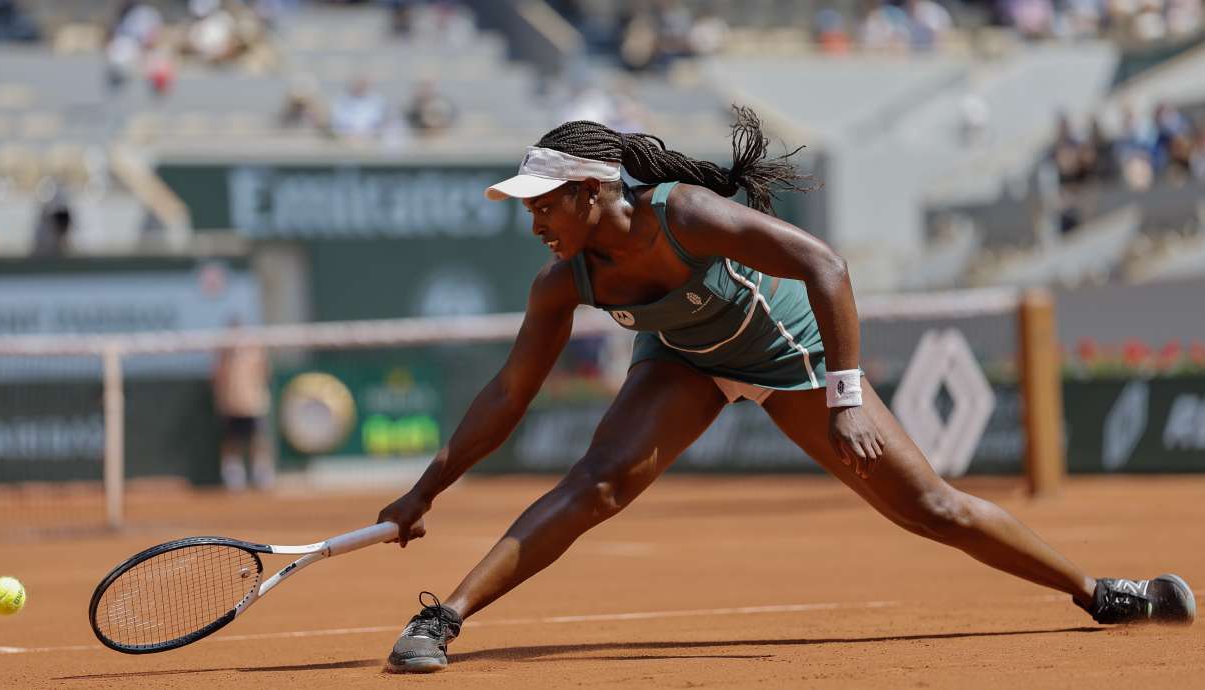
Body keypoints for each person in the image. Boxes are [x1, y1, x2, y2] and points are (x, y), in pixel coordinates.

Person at [376, 107, 1196, 673]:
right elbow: (508, 397)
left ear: (594, 192)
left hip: (792, 357)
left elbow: (825, 265)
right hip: (684, 361)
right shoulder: (564, 282)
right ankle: (442, 618)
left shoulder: (687, 215)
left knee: (930, 508)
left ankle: (1101, 593)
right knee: (597, 483)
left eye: (544, 205)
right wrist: (423, 492)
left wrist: (844, 393)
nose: (535, 224)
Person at [212, 319, 273, 491]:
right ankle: (233, 476)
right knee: (232, 440)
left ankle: (262, 475)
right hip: (231, 403)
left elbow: (265, 372)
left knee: (258, 438)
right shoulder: (224, 352)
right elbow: (218, 375)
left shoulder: (255, 349)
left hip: (253, 403)